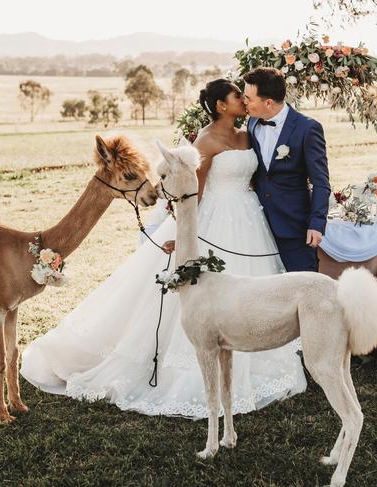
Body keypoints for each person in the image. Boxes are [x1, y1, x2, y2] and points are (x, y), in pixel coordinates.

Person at [20, 79, 306, 419]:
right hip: (214, 219)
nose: (243, 101)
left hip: (248, 218)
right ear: (219, 105)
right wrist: (185, 235)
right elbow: (192, 194)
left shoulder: (249, 135)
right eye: (236, 96)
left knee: (250, 289)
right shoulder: (205, 141)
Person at [243, 67, 331, 272]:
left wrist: (316, 224)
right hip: (258, 226)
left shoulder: (308, 129)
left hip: (294, 228)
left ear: (268, 103)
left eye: (248, 98)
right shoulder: (252, 123)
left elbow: (321, 182)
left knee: (304, 289)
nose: (244, 102)